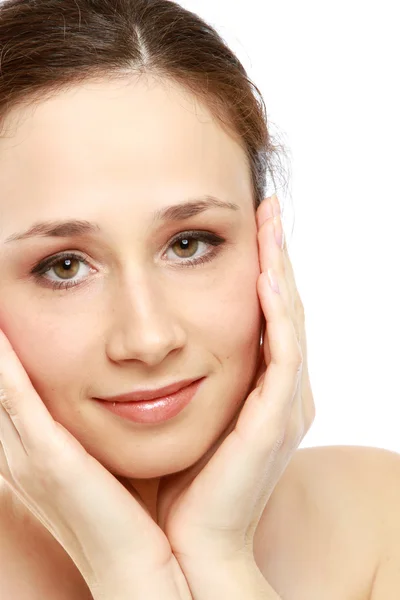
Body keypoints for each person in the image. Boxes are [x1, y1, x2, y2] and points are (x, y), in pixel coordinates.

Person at [0, 0, 399, 598]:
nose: (148, 337)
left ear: (271, 247)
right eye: (64, 266)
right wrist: (131, 574)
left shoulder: (383, 522)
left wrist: (219, 556)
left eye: (189, 244)